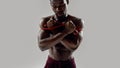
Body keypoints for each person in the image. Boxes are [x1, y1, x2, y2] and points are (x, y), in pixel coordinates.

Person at [38, 0, 83, 68]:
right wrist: (66, 32)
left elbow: (73, 47)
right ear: (50, 5)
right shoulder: (45, 21)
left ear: (67, 2)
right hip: (51, 63)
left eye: (62, 5)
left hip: (68, 64)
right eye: (54, 6)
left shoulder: (76, 22)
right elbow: (42, 46)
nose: (58, 9)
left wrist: (53, 30)